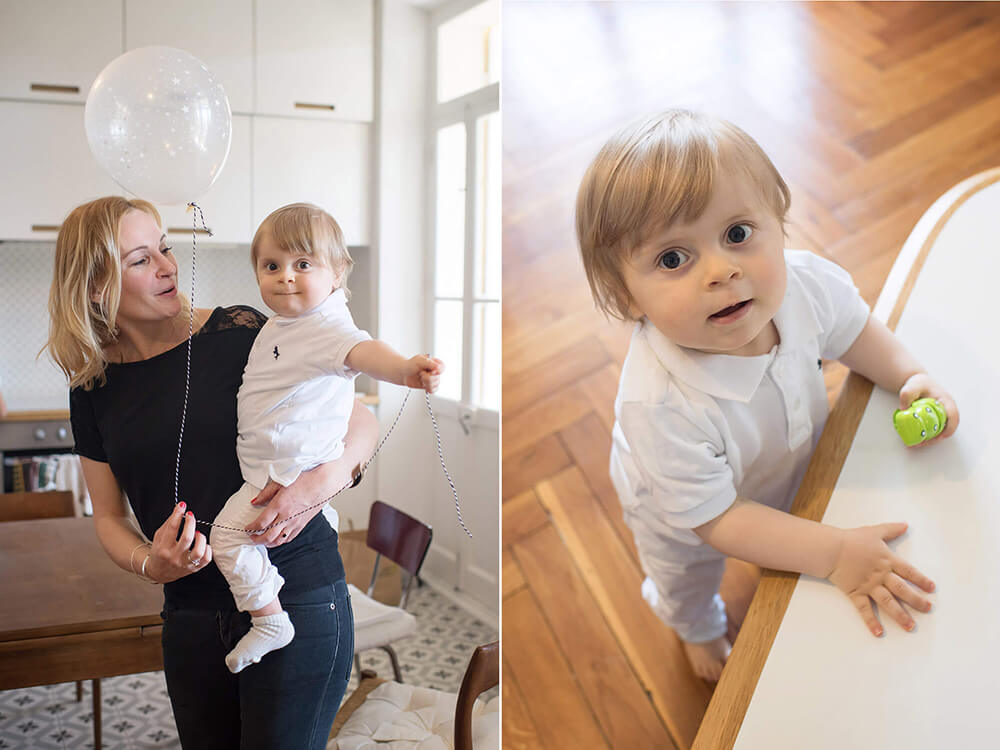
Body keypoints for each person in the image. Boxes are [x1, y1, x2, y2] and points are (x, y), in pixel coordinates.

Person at [575, 109, 960, 682]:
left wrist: (909, 377)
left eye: (736, 234)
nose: (722, 271)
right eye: (673, 258)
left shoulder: (805, 286)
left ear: (779, 223)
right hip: (682, 508)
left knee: (789, 510)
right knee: (687, 574)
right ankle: (696, 627)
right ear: (625, 296)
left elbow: (855, 332)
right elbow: (720, 521)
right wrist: (833, 555)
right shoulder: (658, 407)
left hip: (782, 456)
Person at [46, 196, 378, 749]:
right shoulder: (92, 387)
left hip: (297, 592)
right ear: (97, 286)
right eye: (140, 259)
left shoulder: (240, 333)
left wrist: (322, 484)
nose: (167, 265)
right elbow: (107, 516)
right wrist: (151, 563)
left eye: (166, 248)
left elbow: (358, 415)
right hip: (191, 615)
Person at [212, 203, 442, 673]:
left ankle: (270, 618)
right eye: (271, 265)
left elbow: (361, 350)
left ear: (337, 272)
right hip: (272, 466)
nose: (285, 277)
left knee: (227, 537)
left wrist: (403, 369)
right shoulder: (284, 325)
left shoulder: (325, 326)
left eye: (303, 264)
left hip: (282, 474)